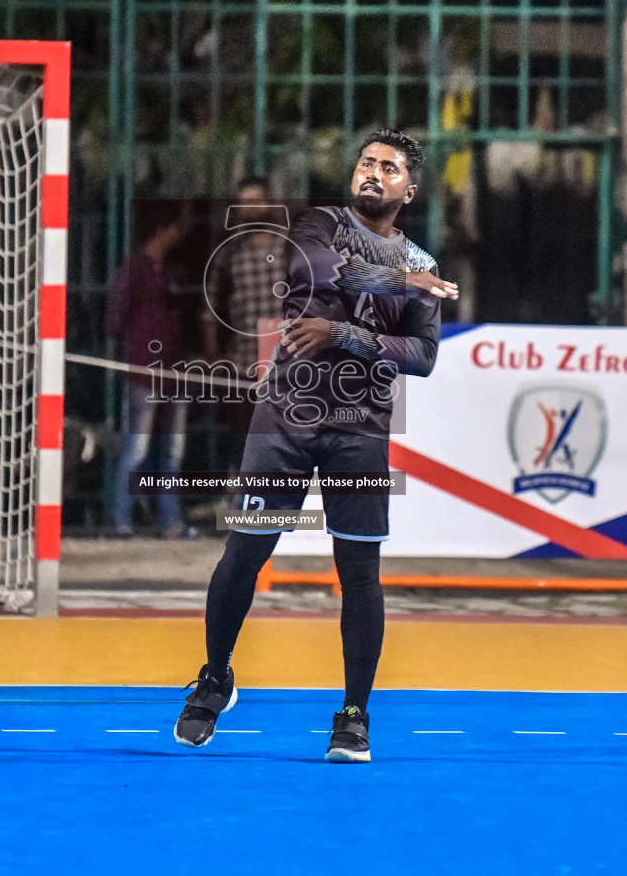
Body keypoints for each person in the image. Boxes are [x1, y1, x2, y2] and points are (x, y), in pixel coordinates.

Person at [173, 129, 458, 763]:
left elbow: (425, 356)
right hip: (285, 425)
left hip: (359, 431)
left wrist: (345, 332)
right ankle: (215, 677)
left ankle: (353, 715)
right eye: (366, 162)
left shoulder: (424, 267)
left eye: (389, 168)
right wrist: (404, 282)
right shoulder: (319, 224)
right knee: (245, 555)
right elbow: (324, 270)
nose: (373, 173)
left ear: (409, 190)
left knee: (358, 574)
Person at [106, 202, 196, 539]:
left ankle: (170, 521)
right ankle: (121, 520)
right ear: (163, 229)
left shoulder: (171, 272)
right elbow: (115, 320)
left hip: (177, 371)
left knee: (172, 450)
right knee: (138, 447)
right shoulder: (136, 270)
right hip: (145, 372)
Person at [202, 176, 288, 477]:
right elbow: (211, 309)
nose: (251, 209)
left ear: (270, 204)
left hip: (288, 365)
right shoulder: (227, 256)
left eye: (257, 201)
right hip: (243, 365)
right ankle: (242, 505)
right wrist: (215, 356)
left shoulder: (291, 250)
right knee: (243, 439)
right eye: (245, 203)